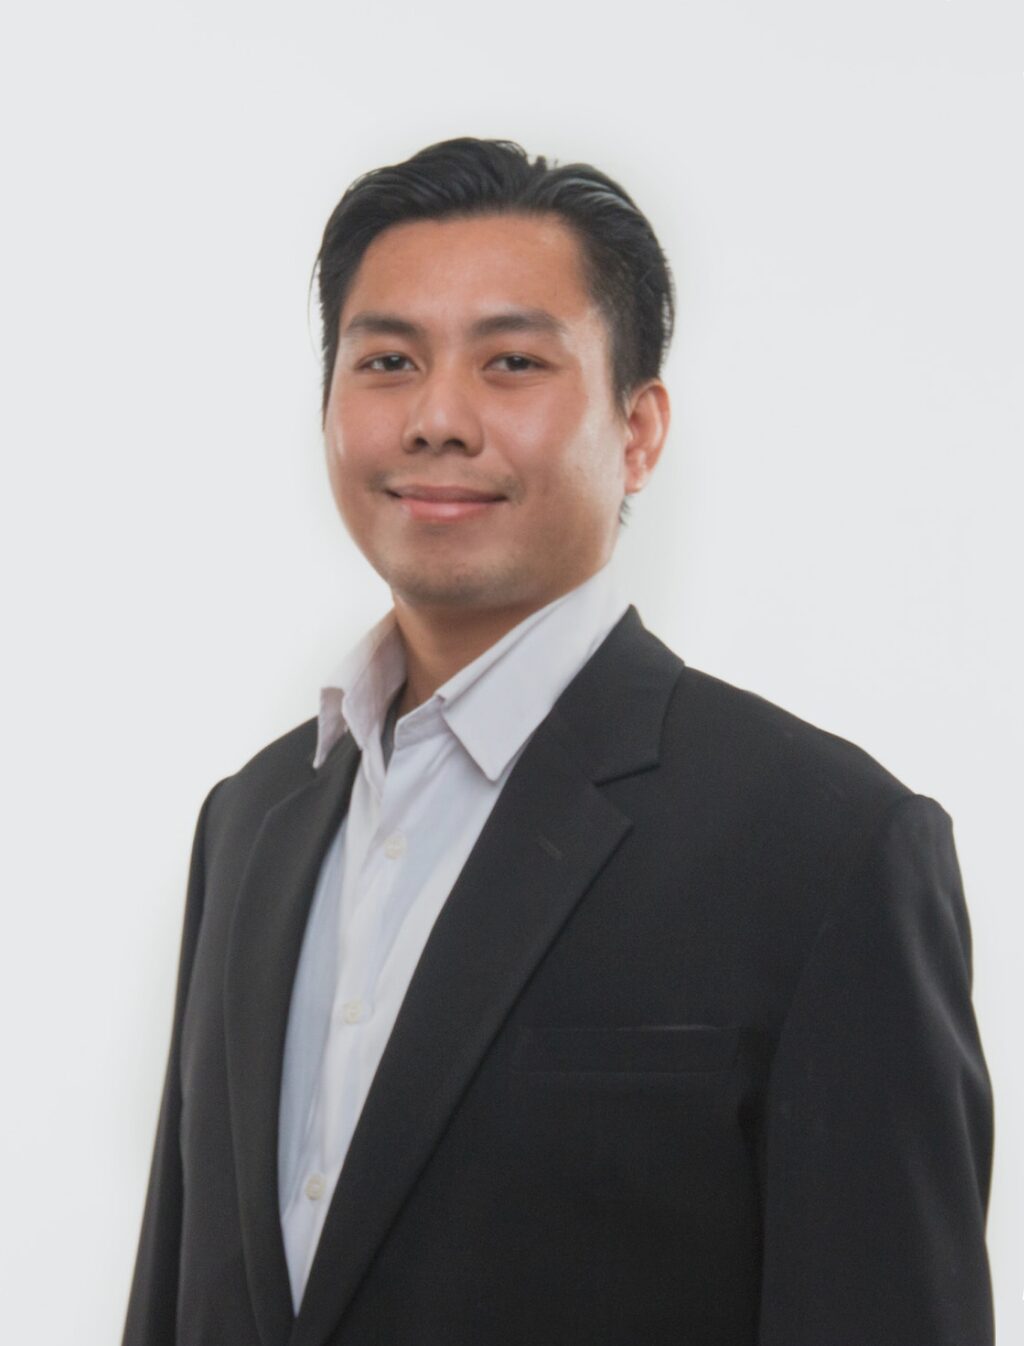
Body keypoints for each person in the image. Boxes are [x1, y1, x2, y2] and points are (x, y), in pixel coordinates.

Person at [122, 137, 994, 1346]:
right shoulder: (254, 816)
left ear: (637, 429)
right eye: (388, 361)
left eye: (513, 362)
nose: (437, 417)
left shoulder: (826, 845)